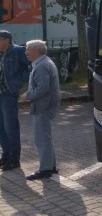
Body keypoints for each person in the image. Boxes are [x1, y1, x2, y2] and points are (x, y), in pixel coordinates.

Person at [22, 40, 61, 180]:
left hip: (43, 106)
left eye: (28, 49)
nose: (26, 52)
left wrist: (27, 96)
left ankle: (45, 169)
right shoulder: (44, 62)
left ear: (37, 50)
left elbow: (42, 88)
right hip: (46, 105)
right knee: (46, 137)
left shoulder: (41, 65)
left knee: (42, 139)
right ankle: (51, 166)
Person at [0, 30, 30, 172]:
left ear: (6, 40)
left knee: (10, 127)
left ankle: (14, 158)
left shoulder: (18, 51)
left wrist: (18, 82)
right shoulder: (1, 53)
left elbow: (31, 67)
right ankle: (6, 155)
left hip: (9, 94)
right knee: (1, 127)